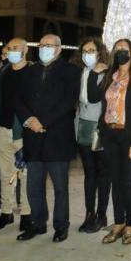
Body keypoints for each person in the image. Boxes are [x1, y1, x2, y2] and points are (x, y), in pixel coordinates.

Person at [16, 34, 81, 243]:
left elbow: (67, 102)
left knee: (60, 187)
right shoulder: (30, 71)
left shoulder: (71, 72)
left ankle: (61, 226)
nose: (44, 48)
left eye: (49, 45)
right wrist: (29, 120)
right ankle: (37, 223)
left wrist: (43, 121)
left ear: (59, 49)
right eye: (41, 45)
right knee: (34, 185)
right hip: (32, 136)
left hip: (57, 136)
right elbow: (18, 100)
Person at [89, 39, 131, 245]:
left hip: (130, 136)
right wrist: (95, 73)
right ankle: (118, 223)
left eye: (124, 50)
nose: (120, 53)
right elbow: (93, 97)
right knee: (114, 181)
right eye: (117, 50)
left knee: (127, 181)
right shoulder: (110, 75)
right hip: (109, 135)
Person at [0, 39, 33, 232]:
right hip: (3, 129)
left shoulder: (34, 72)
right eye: (10, 48)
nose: (13, 51)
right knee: (5, 174)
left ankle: (26, 214)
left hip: (23, 130)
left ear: (26, 49)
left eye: (16, 48)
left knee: (25, 175)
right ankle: (6, 212)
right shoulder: (3, 72)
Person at [76, 37, 111, 233]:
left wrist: (95, 73)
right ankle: (89, 213)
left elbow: (94, 97)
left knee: (102, 172)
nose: (87, 54)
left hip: (100, 128)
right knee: (89, 172)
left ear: (99, 53)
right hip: (83, 127)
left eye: (91, 50)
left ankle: (102, 214)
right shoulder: (80, 72)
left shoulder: (106, 73)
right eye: (85, 50)